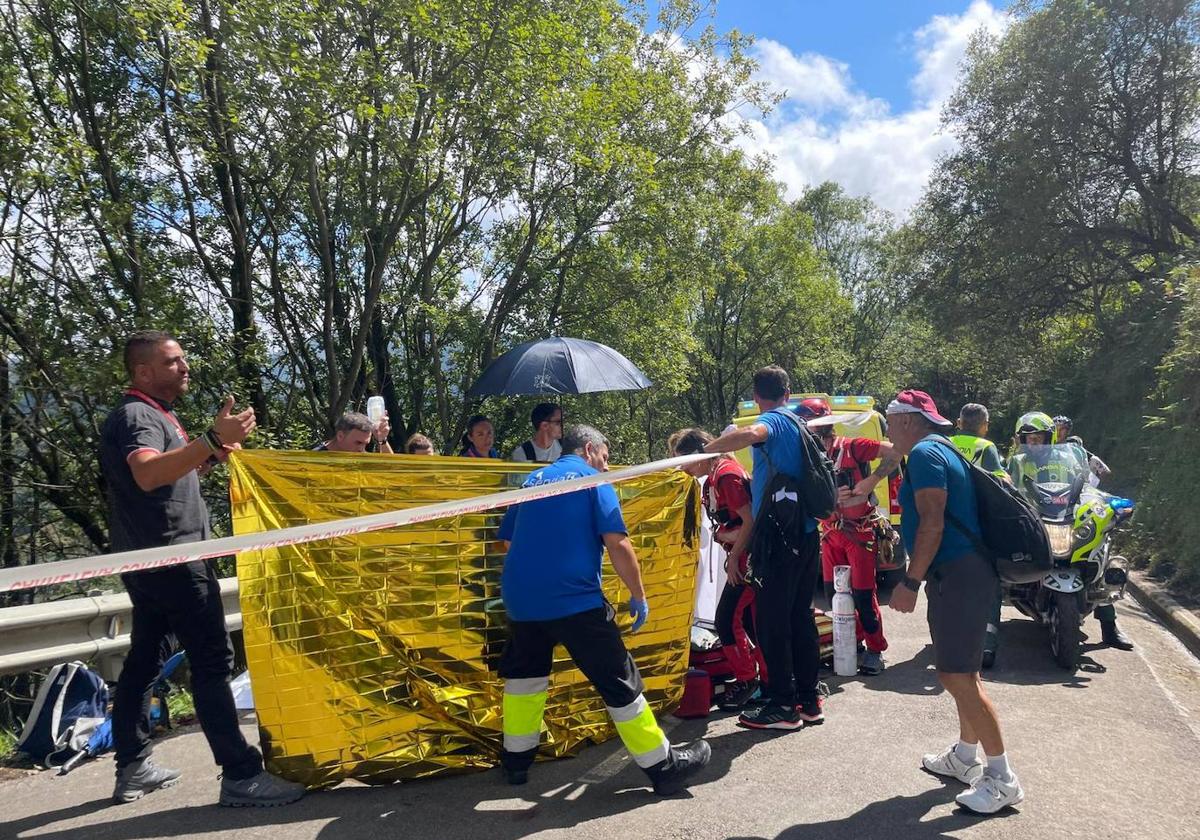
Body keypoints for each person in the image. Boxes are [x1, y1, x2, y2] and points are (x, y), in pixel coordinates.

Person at [99, 330, 305, 807]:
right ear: (143, 371)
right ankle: (241, 776)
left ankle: (132, 764)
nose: (185, 367)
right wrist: (210, 438)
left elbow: (170, 479)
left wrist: (210, 454)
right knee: (213, 662)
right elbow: (148, 473)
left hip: (154, 560)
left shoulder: (157, 414)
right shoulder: (136, 415)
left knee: (144, 661)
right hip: (173, 559)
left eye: (184, 359)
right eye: (173, 361)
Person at [495, 424, 711, 795]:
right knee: (619, 679)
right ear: (590, 449)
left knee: (525, 678)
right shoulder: (590, 480)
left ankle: (516, 761)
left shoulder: (532, 481)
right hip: (573, 600)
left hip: (521, 599)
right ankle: (663, 765)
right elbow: (618, 543)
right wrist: (638, 595)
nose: (607, 467)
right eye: (606, 458)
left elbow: (504, 543)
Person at [886, 388, 1024, 814]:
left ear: (908, 420)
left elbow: (933, 521)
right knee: (964, 672)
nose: (888, 428)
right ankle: (965, 758)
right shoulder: (937, 448)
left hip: (958, 576)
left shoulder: (926, 455)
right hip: (965, 574)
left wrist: (909, 582)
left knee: (956, 677)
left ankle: (1002, 779)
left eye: (890, 418)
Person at [701, 365, 823, 731]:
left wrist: (710, 448)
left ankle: (782, 707)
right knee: (800, 617)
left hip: (778, 538)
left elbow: (755, 432)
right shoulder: (802, 423)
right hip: (805, 531)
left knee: (772, 622)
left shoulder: (776, 422)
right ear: (788, 392)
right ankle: (808, 700)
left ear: (757, 397)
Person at [797, 398, 901, 677]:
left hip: (859, 533)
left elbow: (896, 451)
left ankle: (876, 649)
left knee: (864, 595)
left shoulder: (852, 447)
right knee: (834, 596)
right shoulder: (808, 458)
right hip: (830, 535)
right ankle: (852, 643)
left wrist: (870, 481)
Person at [1010, 412, 1132, 651]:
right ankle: (988, 634)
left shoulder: (1069, 455)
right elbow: (1009, 483)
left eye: (1040, 438)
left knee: (1099, 554)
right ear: (1021, 440)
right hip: (1037, 516)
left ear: (1051, 437)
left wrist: (1104, 502)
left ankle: (1110, 628)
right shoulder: (1017, 460)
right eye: (1030, 439)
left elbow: (1086, 483)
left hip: (1066, 514)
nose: (1035, 443)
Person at [671, 428, 761, 709]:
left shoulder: (725, 475)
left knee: (726, 621)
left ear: (699, 454)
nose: (681, 468)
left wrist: (733, 557)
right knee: (749, 624)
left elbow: (751, 521)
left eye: (682, 460)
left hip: (748, 562)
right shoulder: (713, 477)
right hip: (743, 558)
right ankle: (760, 679)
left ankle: (749, 681)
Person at [949, 403, 1008, 668]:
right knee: (989, 586)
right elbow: (1000, 484)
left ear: (959, 423)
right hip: (976, 526)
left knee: (946, 584)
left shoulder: (945, 443)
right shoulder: (986, 448)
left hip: (944, 523)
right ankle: (986, 646)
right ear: (985, 425)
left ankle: (948, 640)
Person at [315, 411, 393, 453]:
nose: (361, 449)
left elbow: (393, 470)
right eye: (358, 443)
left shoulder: (359, 456)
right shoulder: (314, 459)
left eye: (365, 444)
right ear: (340, 436)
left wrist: (382, 439)